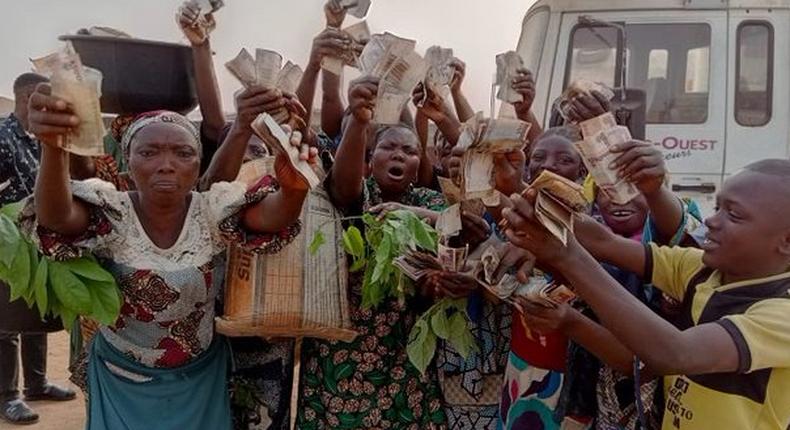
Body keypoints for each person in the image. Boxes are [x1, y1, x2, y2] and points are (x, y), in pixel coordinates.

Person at [23, 83, 311, 429]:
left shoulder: (211, 211)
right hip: (121, 378)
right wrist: (53, 148)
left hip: (198, 379)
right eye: (149, 153)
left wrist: (294, 189)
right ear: (127, 161)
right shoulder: (112, 211)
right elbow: (57, 218)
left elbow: (272, 217)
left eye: (182, 153)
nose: (166, 165)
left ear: (198, 164)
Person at [502, 158, 790, 430]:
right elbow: (604, 241)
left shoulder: (782, 314)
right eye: (717, 208)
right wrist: (518, 193)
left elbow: (676, 353)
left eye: (734, 214)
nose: (713, 221)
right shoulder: (701, 270)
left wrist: (568, 257)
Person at [297, 77, 447, 429]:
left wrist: (414, 216)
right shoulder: (357, 195)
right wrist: (361, 121)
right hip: (343, 346)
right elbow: (342, 185)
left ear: (418, 163)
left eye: (410, 151)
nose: (399, 155)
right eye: (388, 147)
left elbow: (462, 226)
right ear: (370, 158)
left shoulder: (427, 201)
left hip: (404, 348)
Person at [0, 73, 76, 426]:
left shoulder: (38, 139)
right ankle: (7, 396)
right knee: (5, 322)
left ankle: (37, 383)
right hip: (7, 243)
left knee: (36, 312)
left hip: (39, 240)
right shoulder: (2, 136)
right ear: (29, 96)